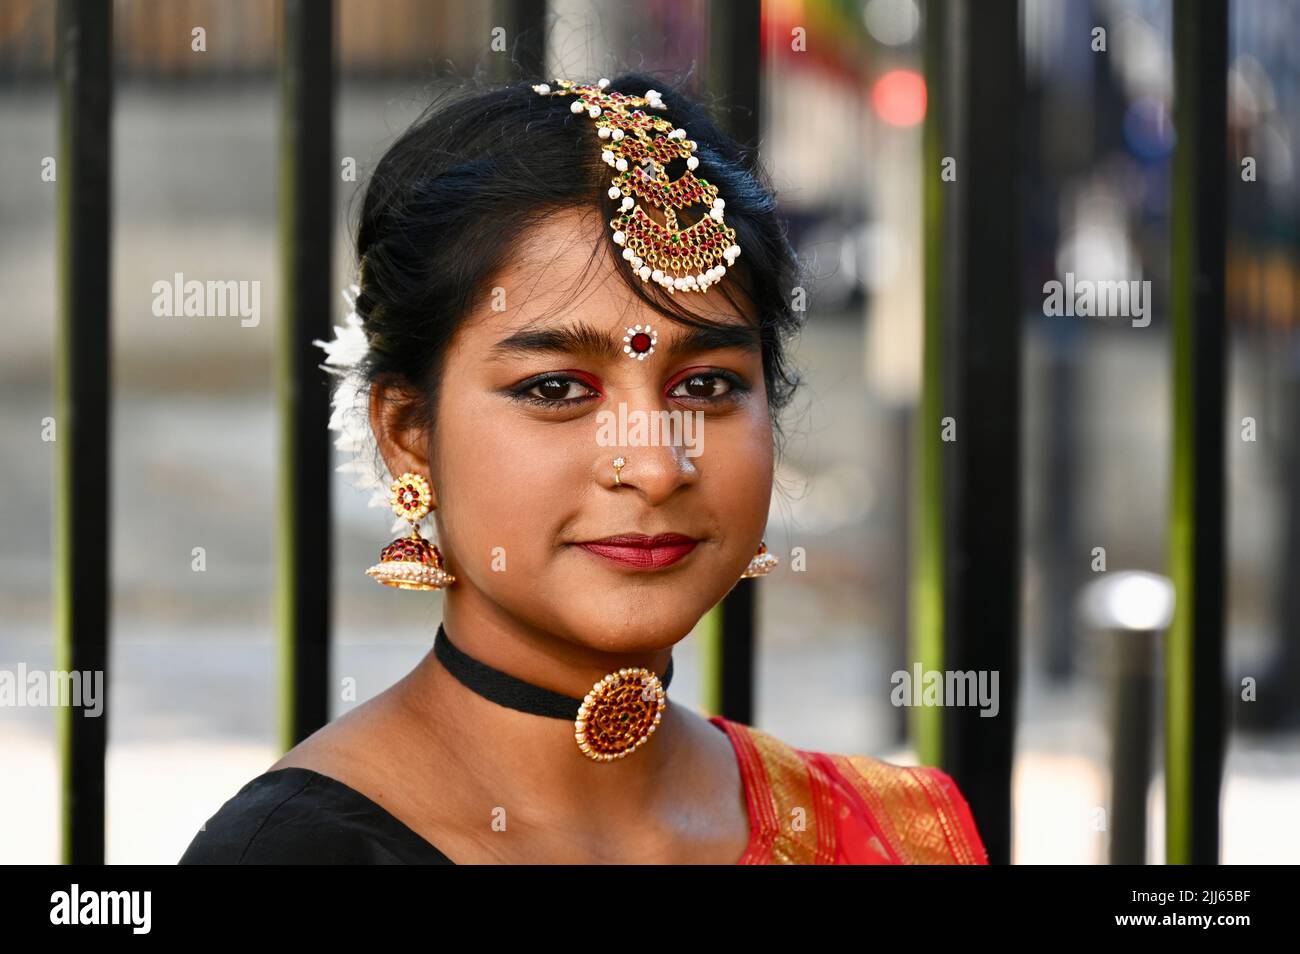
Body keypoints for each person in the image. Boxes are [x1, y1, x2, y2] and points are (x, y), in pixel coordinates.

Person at [179, 73, 988, 865]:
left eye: (705, 386)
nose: (656, 464)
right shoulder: (291, 853)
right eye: (557, 388)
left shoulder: (890, 834)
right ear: (408, 434)